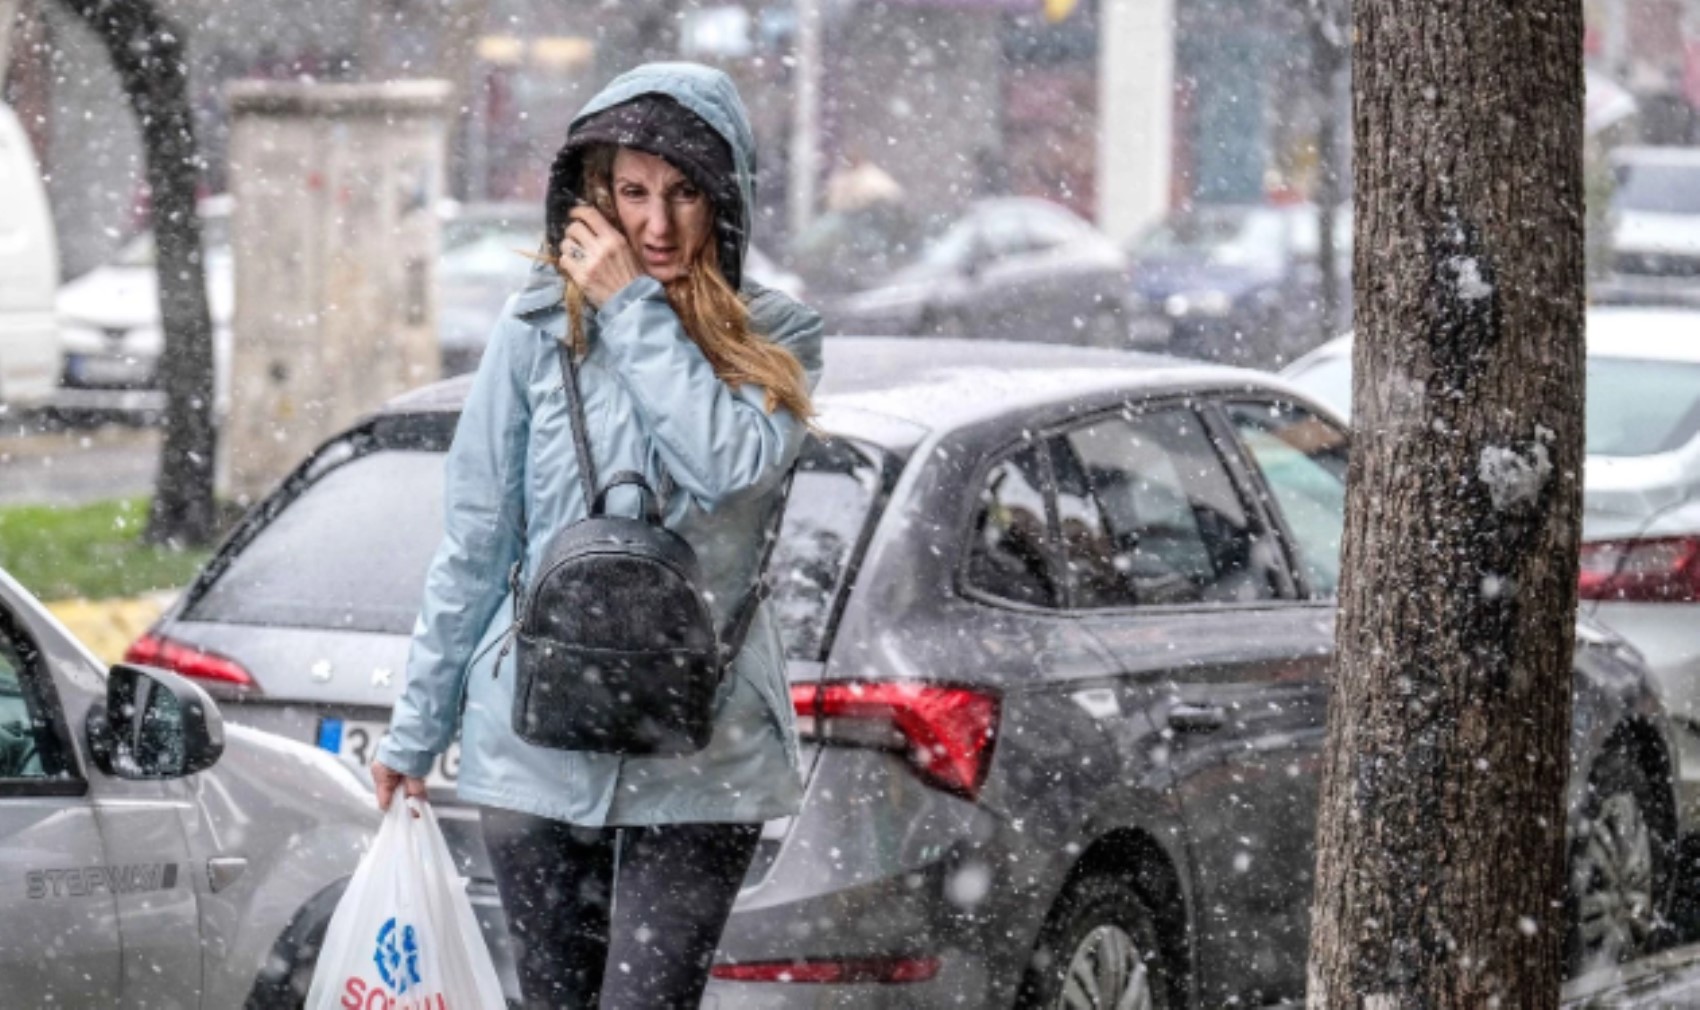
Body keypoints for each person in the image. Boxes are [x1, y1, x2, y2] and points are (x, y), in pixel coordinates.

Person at [368, 62, 822, 1009]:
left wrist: (630, 309)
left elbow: (727, 465)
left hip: (702, 750)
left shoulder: (779, 336)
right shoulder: (534, 326)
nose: (657, 226)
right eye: (633, 192)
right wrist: (415, 729)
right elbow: (478, 540)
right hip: (535, 735)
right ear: (594, 196)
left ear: (726, 197)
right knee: (553, 997)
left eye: (685, 193)